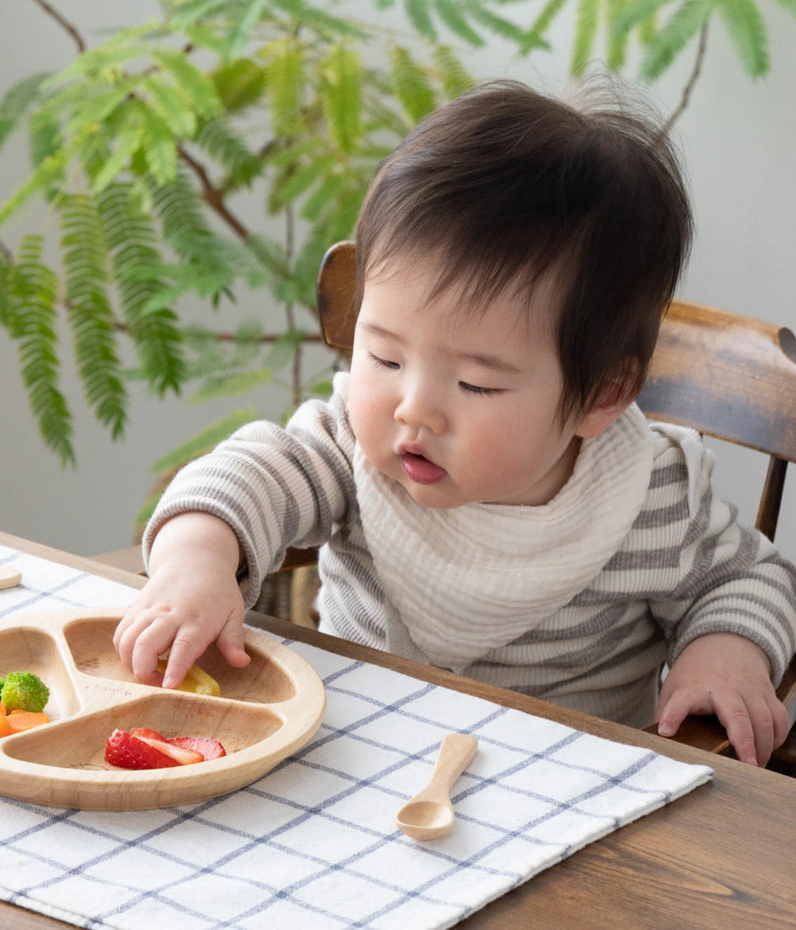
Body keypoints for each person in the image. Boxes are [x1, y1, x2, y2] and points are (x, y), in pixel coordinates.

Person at [114, 78, 796, 766]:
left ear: (601, 393)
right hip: (354, 765)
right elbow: (246, 478)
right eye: (383, 354)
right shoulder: (350, 448)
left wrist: (724, 655)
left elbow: (745, 578)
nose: (413, 406)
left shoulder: (651, 496)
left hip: (567, 797)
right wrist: (196, 560)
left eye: (476, 382)